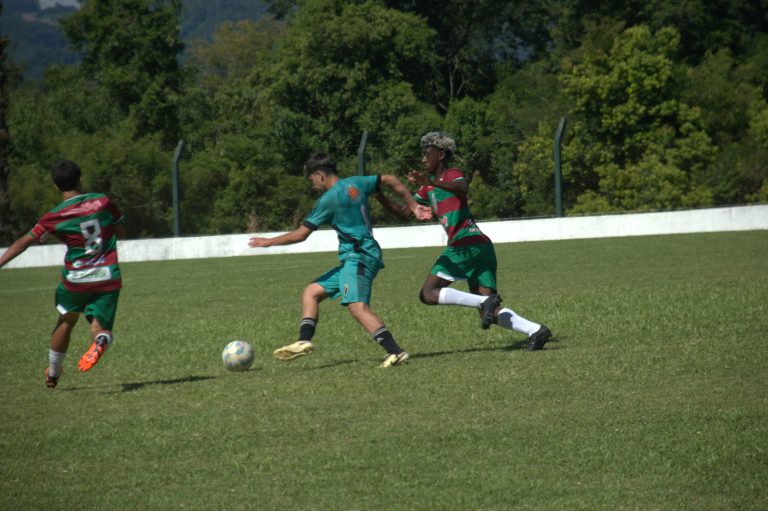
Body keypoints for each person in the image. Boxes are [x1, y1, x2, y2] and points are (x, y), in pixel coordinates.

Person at [248, 153, 432, 368]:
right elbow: (390, 179)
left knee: (357, 307)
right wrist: (412, 204)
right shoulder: (356, 183)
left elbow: (300, 235)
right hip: (355, 258)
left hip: (359, 255)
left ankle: (395, 352)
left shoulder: (328, 200)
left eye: (312, 180)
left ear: (320, 175)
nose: (313, 185)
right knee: (312, 292)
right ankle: (304, 340)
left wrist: (268, 242)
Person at [407, 132, 552, 350]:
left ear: (442, 154)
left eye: (427, 153)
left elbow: (463, 188)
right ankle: (536, 330)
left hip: (466, 244)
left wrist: (431, 182)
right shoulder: (428, 188)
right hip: (480, 247)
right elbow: (404, 211)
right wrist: (378, 193)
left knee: (427, 293)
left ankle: (485, 302)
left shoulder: (451, 175)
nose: (423, 158)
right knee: (490, 314)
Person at [0, 159, 125, 388]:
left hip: (76, 280)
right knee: (98, 324)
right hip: (107, 274)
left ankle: (53, 372)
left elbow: (23, 243)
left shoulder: (54, 216)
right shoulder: (102, 201)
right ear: (81, 178)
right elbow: (119, 228)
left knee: (67, 320)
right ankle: (101, 339)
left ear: (55, 186)